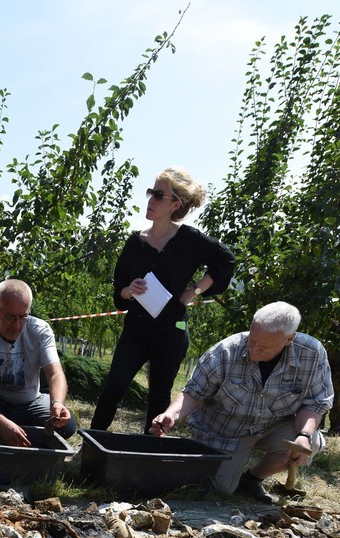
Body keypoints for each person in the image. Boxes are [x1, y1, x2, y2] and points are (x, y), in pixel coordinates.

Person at [90, 167, 235, 434]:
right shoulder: (135, 242)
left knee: (158, 396)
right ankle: (91, 444)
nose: (150, 200)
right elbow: (119, 291)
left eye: (158, 195)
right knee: (113, 388)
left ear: (175, 205)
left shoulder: (190, 240)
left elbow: (225, 259)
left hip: (171, 330)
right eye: (150, 193)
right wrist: (128, 290)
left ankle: (148, 455)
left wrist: (194, 291)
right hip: (136, 328)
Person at [150, 302, 334, 503]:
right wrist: (172, 414)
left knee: (308, 443)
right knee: (215, 491)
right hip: (225, 431)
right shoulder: (225, 351)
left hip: (272, 426)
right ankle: (229, 476)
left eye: (263, 347)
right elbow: (193, 392)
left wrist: (304, 435)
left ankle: (252, 479)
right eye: (252, 340)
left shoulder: (312, 353)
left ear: (289, 339)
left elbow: (315, 403)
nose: (254, 350)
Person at [0, 279, 75, 447]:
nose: (17, 325)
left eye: (23, 317)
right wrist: (0, 422)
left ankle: (6, 434)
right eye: (10, 317)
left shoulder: (41, 331)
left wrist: (57, 403)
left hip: (29, 403)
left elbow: (55, 373)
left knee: (66, 426)